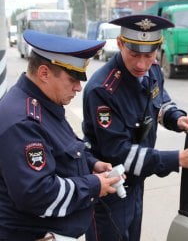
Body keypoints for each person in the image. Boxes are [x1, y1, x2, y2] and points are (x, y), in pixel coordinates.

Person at [82, 14, 188, 241]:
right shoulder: (103, 89)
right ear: (120, 44)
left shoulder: (153, 70)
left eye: (149, 55)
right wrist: (179, 159)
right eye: (133, 54)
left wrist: (176, 118)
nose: (141, 64)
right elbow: (119, 153)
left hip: (136, 183)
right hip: (110, 188)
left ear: (158, 49)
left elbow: (159, 102)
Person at [0, 30, 123, 240]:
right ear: (44, 73)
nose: (78, 87)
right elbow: (36, 194)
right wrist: (94, 185)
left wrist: (91, 162)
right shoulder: (23, 120)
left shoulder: (44, 102)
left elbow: (63, 149)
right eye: (72, 78)